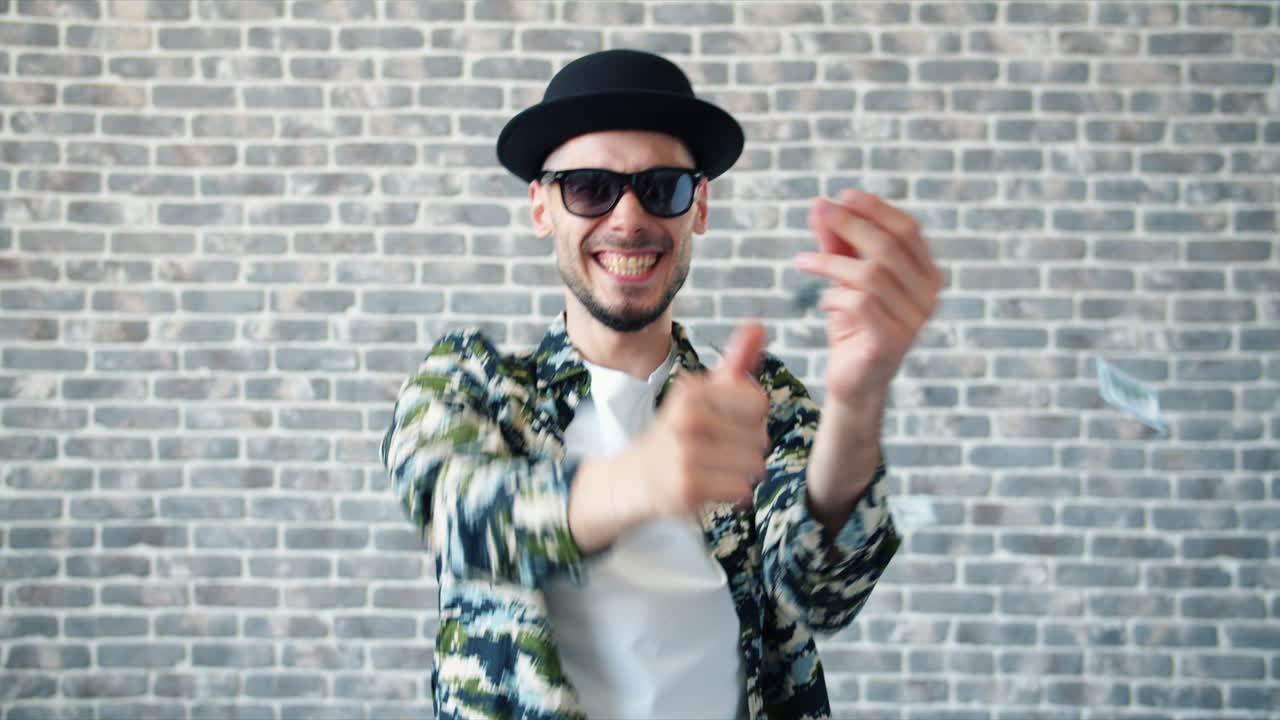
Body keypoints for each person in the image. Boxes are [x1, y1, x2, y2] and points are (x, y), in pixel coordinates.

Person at [382, 49, 942, 720]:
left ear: (698, 206)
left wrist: (859, 398)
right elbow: (464, 520)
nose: (627, 218)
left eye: (662, 187)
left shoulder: (756, 396)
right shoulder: (472, 384)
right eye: (588, 187)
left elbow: (827, 593)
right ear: (541, 207)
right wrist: (645, 478)